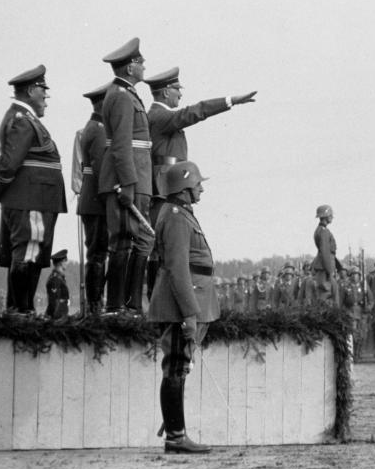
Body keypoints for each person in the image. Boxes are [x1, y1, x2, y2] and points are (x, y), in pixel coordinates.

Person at [143, 66, 256, 296]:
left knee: (166, 244)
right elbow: (195, 111)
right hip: (166, 188)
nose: (180, 94)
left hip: (168, 185)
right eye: (177, 90)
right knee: (164, 245)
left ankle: (160, 294)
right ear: (165, 92)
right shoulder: (160, 115)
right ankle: (158, 295)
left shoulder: (159, 116)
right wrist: (229, 101)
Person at [0, 65, 67, 314]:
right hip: (32, 199)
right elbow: (9, 164)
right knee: (28, 252)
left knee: (32, 252)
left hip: (36, 198)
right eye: (43, 91)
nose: (46, 98)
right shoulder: (22, 121)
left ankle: (22, 311)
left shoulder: (26, 120)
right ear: (31, 90)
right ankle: (21, 312)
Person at [148, 160, 216, 454]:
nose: (201, 188)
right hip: (178, 307)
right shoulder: (176, 216)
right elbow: (177, 268)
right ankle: (176, 436)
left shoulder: (180, 214)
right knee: (175, 366)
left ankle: (176, 430)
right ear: (185, 188)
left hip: (184, 304)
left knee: (179, 367)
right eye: (197, 184)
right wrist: (189, 313)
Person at [98, 38, 153, 315]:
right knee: (123, 240)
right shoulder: (120, 96)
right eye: (141, 62)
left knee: (136, 240)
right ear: (130, 67)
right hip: (128, 179)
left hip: (137, 177)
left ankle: (129, 305)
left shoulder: (125, 94)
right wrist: (129, 184)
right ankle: (116, 305)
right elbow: (120, 145)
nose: (144, 66)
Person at [76, 83, 111, 315]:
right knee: (98, 253)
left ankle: (95, 303)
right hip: (97, 201)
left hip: (92, 200)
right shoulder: (98, 129)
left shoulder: (92, 127)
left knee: (96, 253)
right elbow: (101, 168)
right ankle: (95, 304)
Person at [312, 205, 342, 307]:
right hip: (325, 268)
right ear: (326, 216)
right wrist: (330, 271)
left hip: (325, 266)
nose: (332, 217)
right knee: (326, 295)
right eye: (330, 215)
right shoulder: (323, 232)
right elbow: (325, 252)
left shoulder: (321, 230)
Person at [45, 249, 70, 318]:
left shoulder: (60, 278)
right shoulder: (55, 279)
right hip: (56, 318)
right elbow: (54, 303)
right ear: (61, 263)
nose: (67, 263)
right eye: (65, 261)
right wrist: (57, 320)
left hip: (61, 316)